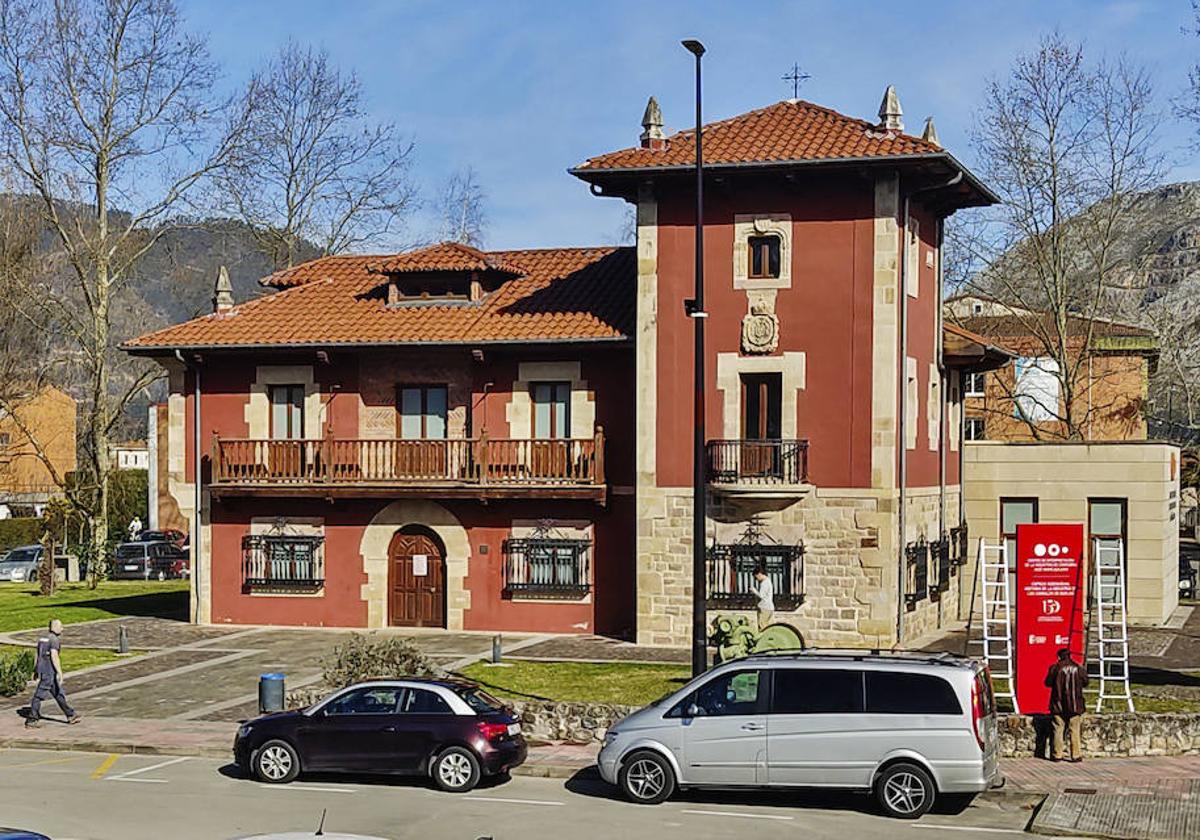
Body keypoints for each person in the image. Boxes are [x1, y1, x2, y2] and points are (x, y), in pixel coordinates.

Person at [26, 619, 80, 728]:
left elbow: (38, 655)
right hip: (48, 671)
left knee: (58, 694)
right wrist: (60, 672)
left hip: (42, 670)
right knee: (39, 695)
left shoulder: (42, 639)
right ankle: (32, 719)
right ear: (54, 627)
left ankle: (71, 715)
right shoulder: (54, 640)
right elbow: (54, 656)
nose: (62, 628)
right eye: (60, 626)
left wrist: (35, 670)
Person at [1044, 648, 1088, 762]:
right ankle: (1076, 755)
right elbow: (1086, 682)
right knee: (1075, 729)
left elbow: (1047, 682)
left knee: (1058, 729)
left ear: (1059, 657)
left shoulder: (1055, 668)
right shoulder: (1078, 668)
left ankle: (1057, 754)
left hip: (1058, 704)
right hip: (1075, 705)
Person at [752, 566, 775, 630]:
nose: (756, 580)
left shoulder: (765, 583)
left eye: (756, 577)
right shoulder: (768, 581)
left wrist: (754, 591)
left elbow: (761, 596)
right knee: (768, 627)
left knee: (762, 627)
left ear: (759, 574)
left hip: (764, 607)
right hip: (769, 607)